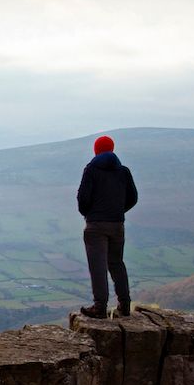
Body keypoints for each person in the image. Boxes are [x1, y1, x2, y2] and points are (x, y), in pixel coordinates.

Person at [77, 135, 137, 319]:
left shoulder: (91, 170)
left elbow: (83, 200)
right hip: (117, 224)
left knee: (98, 266)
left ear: (96, 150)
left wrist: (90, 214)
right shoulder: (123, 171)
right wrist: (118, 211)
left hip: (96, 226)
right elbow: (133, 198)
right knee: (116, 263)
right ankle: (124, 305)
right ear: (112, 149)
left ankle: (99, 307)